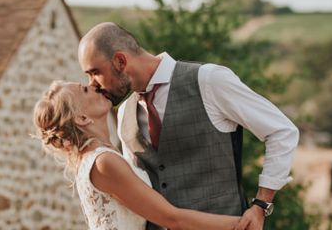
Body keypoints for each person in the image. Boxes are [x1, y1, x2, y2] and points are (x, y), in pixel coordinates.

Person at [78, 23, 300, 230]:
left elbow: (281, 131)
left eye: (95, 72)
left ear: (120, 61)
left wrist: (261, 205)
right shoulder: (126, 112)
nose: (92, 84)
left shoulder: (208, 80)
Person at [33, 80, 241, 230]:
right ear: (82, 118)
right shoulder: (103, 162)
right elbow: (172, 219)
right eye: (85, 90)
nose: (94, 85)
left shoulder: (97, 158)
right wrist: (241, 224)